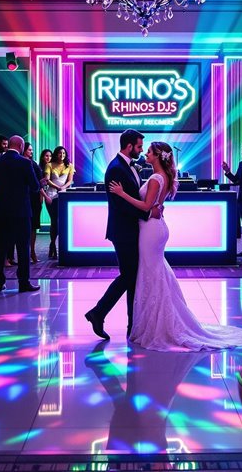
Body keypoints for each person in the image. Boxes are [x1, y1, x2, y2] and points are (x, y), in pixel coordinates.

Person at [108, 141, 242, 351]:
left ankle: (158, 324)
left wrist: (122, 193)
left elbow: (145, 206)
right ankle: (154, 321)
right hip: (155, 227)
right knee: (155, 272)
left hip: (150, 230)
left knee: (151, 273)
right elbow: (155, 205)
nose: (146, 153)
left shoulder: (154, 178)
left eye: (149, 151)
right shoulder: (163, 177)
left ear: (158, 156)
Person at [85, 129, 158, 339]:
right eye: (139, 146)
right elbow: (120, 205)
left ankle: (130, 324)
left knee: (131, 276)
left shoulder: (126, 166)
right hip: (123, 230)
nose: (142, 150)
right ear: (129, 146)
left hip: (129, 229)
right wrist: (147, 212)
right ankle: (99, 312)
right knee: (129, 275)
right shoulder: (116, 168)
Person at [0, 135, 41, 293]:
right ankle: (23, 282)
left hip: (0, 211)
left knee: (1, 247)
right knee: (23, 248)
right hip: (21, 212)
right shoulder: (25, 163)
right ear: (20, 146)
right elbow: (34, 186)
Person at [44, 145, 75, 260]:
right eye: (59, 153)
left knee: (63, 222)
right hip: (52, 196)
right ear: (56, 154)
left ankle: (61, 246)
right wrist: (57, 187)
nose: (62, 155)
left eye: (64, 153)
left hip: (64, 195)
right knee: (54, 221)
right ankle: (53, 244)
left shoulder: (69, 165)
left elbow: (70, 180)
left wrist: (63, 188)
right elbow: (47, 180)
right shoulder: (49, 165)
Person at [24, 142, 49, 263]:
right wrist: (41, 185)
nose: (31, 152)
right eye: (29, 150)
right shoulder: (26, 164)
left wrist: (42, 184)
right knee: (26, 227)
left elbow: (39, 182)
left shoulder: (33, 163)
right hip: (28, 198)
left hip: (35, 199)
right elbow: (36, 183)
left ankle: (32, 251)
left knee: (33, 227)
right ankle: (27, 253)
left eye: (32, 150)